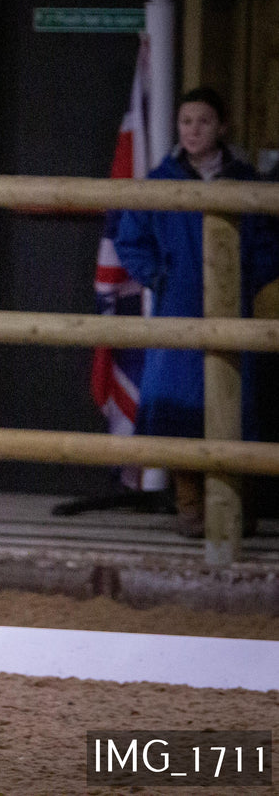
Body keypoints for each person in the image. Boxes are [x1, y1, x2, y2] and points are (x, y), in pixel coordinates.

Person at [114, 87, 279, 537]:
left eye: (203, 121)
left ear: (222, 127)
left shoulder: (248, 182)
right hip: (178, 303)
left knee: (235, 406)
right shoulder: (160, 182)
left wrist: (248, 277)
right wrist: (160, 275)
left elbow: (269, 242)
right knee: (176, 407)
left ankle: (231, 506)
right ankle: (190, 506)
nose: (193, 130)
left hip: (234, 307)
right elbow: (129, 238)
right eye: (186, 121)